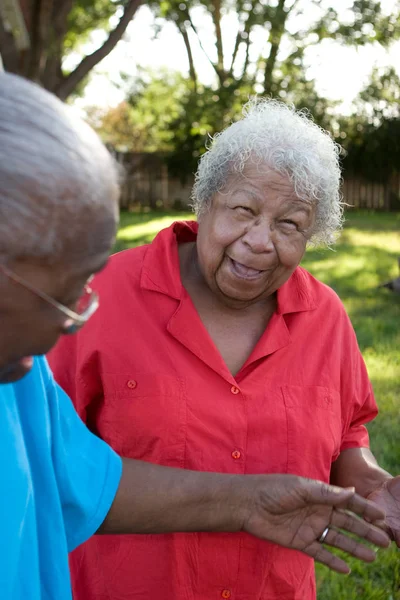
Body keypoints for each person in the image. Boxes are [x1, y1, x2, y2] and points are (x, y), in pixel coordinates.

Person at [48, 98, 400, 600]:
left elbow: (346, 434)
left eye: (290, 224)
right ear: (205, 201)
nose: (260, 240)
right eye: (244, 210)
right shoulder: (99, 297)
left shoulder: (325, 317)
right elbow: (43, 459)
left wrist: (369, 484)